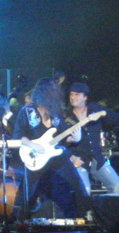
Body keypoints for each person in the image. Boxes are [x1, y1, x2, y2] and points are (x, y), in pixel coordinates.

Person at [13, 78, 89, 219]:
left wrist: (75, 139)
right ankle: (17, 223)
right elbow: (18, 136)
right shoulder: (26, 112)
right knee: (28, 194)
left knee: (77, 185)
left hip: (56, 157)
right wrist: (32, 144)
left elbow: (64, 138)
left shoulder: (57, 112)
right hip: (35, 157)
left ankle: (82, 219)